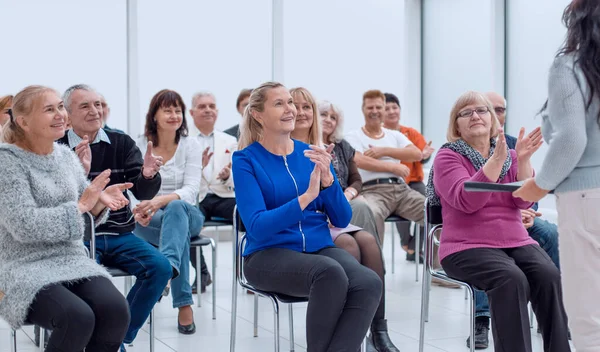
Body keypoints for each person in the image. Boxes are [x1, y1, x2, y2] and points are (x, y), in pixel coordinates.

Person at [233, 81, 382, 352]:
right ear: (258, 115)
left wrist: (327, 182)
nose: (290, 109)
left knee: (368, 282)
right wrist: (305, 199)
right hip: (266, 255)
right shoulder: (245, 160)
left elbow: (340, 218)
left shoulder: (310, 154)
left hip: (317, 248)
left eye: (290, 102)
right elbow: (257, 227)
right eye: (279, 103)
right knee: (330, 273)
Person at [429, 91, 570, 352]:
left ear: (493, 119)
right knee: (510, 279)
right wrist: (494, 163)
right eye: (466, 112)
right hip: (465, 246)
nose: (475, 115)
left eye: (482, 110)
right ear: (456, 125)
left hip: (514, 239)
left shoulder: (511, 155)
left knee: (548, 275)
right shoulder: (448, 157)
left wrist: (524, 159)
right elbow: (467, 201)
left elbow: (523, 201)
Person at [0, 85, 131, 351]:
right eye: (50, 109)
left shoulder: (65, 158)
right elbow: (24, 226)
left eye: (61, 107)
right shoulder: (7, 162)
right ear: (23, 121)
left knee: (116, 310)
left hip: (70, 260)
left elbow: (85, 210)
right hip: (20, 266)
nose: (60, 114)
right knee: (76, 317)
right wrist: (83, 205)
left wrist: (98, 202)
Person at [57, 84, 172, 350]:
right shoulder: (56, 147)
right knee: (96, 285)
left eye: (97, 104)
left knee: (160, 267)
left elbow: (142, 191)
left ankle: (115, 337)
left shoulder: (120, 142)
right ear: (68, 113)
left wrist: (147, 174)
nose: (94, 111)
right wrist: (77, 172)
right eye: (85, 106)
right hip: (79, 241)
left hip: (120, 235)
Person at [513, 1, 600, 350]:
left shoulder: (570, 65)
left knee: (587, 310)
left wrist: (537, 186)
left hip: (587, 196)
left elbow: (572, 138)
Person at [319, 99, 398, 352]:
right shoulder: (304, 147)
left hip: (345, 203)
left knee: (366, 237)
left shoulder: (343, 146)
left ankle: (378, 328)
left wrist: (349, 195)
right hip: (321, 213)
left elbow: (356, 180)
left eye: (333, 117)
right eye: (323, 115)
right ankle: (360, 328)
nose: (328, 120)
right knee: (361, 227)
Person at [133, 89, 204, 335]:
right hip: (150, 219)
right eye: (167, 110)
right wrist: (141, 207)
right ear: (154, 115)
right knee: (176, 234)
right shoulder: (140, 144)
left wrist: (160, 200)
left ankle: (165, 271)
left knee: (176, 209)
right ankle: (183, 302)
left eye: (178, 110)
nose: (174, 115)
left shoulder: (191, 144)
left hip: (188, 213)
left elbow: (192, 189)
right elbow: (134, 187)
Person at [345, 90, 425, 245]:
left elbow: (416, 154)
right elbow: (359, 160)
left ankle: (435, 267)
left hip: (402, 191)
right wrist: (392, 166)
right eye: (370, 108)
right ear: (363, 110)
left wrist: (382, 151)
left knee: (435, 212)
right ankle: (374, 268)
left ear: (383, 109)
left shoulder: (394, 135)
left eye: (378, 107)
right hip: (372, 192)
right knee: (371, 215)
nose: (374, 111)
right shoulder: (353, 136)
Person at [189, 91, 238, 294]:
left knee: (249, 213)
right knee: (186, 221)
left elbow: (238, 177)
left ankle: (249, 271)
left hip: (223, 195)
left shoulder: (230, 140)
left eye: (211, 106)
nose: (208, 110)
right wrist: (197, 168)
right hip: (196, 197)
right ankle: (202, 273)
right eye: (202, 106)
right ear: (191, 112)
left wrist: (228, 175)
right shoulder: (183, 140)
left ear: (217, 112)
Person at [383, 92, 434, 262]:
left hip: (414, 181)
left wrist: (424, 155)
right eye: (387, 108)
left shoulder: (410, 133)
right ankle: (407, 244)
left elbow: (422, 154)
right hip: (392, 183)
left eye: (394, 107)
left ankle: (413, 247)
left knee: (429, 203)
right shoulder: (379, 135)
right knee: (399, 204)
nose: (391, 111)